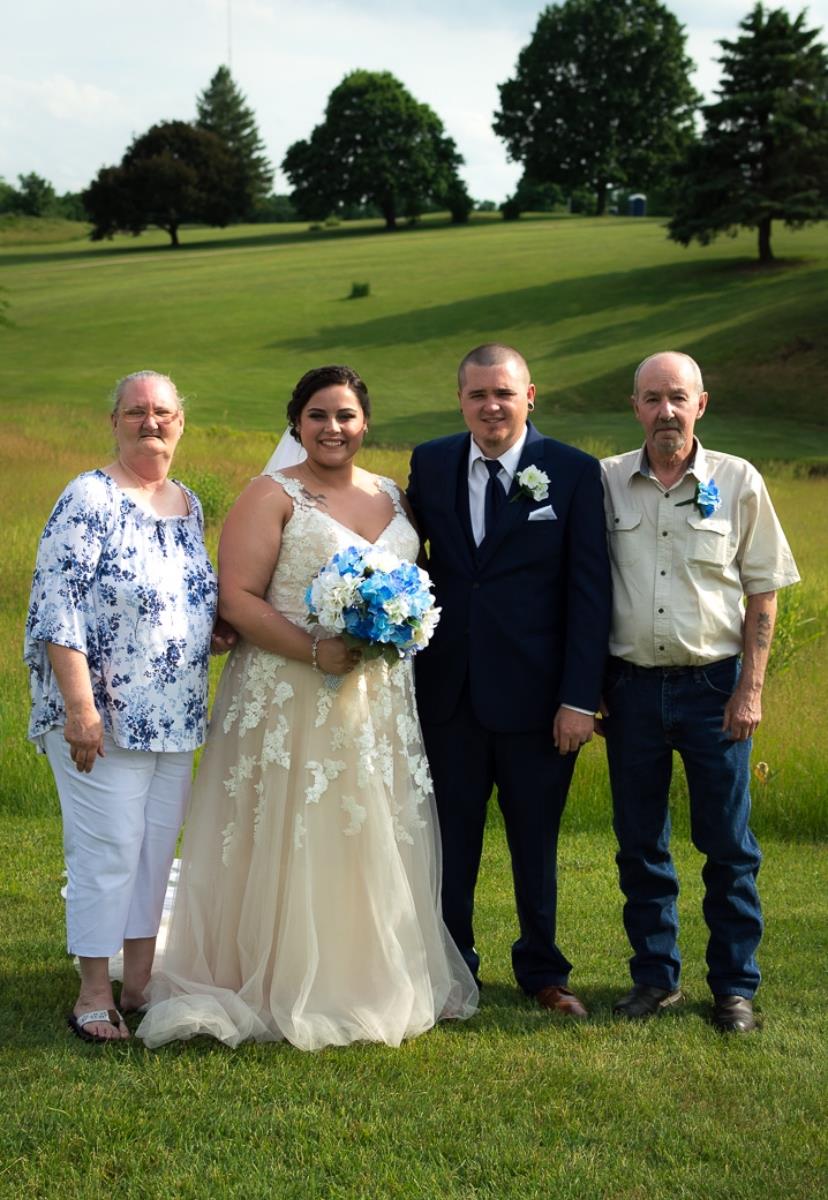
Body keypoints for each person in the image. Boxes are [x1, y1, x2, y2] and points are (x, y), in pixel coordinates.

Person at [136, 365, 478, 1051]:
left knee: (364, 834)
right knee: (290, 833)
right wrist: (312, 651)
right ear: (297, 423)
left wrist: (402, 625)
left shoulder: (395, 497)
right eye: (318, 415)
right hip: (288, 694)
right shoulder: (272, 495)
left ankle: (365, 977)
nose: (333, 428)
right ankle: (274, 978)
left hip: (377, 703)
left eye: (346, 415)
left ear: (365, 423)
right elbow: (236, 599)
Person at [407, 344, 611, 1017]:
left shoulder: (574, 473)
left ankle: (544, 973)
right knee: (451, 840)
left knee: (535, 840)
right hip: (449, 694)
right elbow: (412, 562)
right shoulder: (431, 463)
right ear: (460, 400)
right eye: (477, 395)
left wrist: (580, 698)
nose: (490, 406)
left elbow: (589, 594)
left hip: (539, 700)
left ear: (531, 397)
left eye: (503, 393)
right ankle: (450, 967)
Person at [601, 351, 800, 1032]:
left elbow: (762, 589)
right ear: (635, 408)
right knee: (639, 844)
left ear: (701, 404)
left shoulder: (738, 480)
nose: (666, 411)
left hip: (715, 687)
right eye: (652, 398)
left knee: (729, 847)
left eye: (677, 398)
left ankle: (734, 989)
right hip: (629, 691)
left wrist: (751, 689)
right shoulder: (605, 483)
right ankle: (655, 980)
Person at [24, 370, 219, 1043]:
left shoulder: (187, 503)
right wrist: (81, 709)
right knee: (105, 852)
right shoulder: (87, 497)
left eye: (163, 412)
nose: (151, 423)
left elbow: (185, 595)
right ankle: (93, 992)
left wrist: (213, 629)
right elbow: (57, 608)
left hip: (174, 718)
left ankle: (139, 983)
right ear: (114, 421)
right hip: (100, 719)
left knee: (153, 854)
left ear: (181, 423)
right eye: (136, 411)